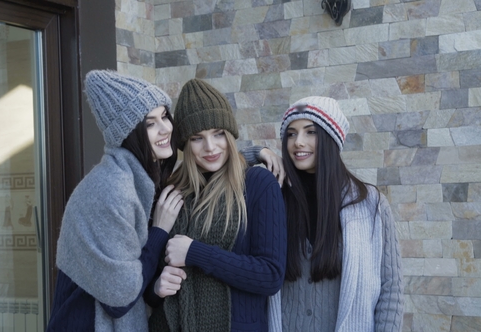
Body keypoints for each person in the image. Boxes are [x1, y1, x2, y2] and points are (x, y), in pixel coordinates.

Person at [47, 70, 184, 331]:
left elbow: (204, 156)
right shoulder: (111, 189)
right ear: (129, 133)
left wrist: (259, 154)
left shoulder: (140, 177)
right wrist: (159, 231)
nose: (166, 128)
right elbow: (120, 298)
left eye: (165, 116)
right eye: (150, 123)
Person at [148, 79, 287, 332]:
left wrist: (194, 252)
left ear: (229, 134)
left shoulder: (257, 183)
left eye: (218, 133)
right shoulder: (171, 192)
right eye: (197, 138)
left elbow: (270, 276)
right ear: (185, 144)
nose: (210, 147)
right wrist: (157, 288)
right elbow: (148, 286)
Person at [278, 96, 403, 331]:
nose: (298, 142)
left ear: (330, 137)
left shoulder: (370, 204)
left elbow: (391, 291)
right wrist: (259, 153)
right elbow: (223, 167)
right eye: (291, 134)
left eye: (310, 132)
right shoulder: (274, 198)